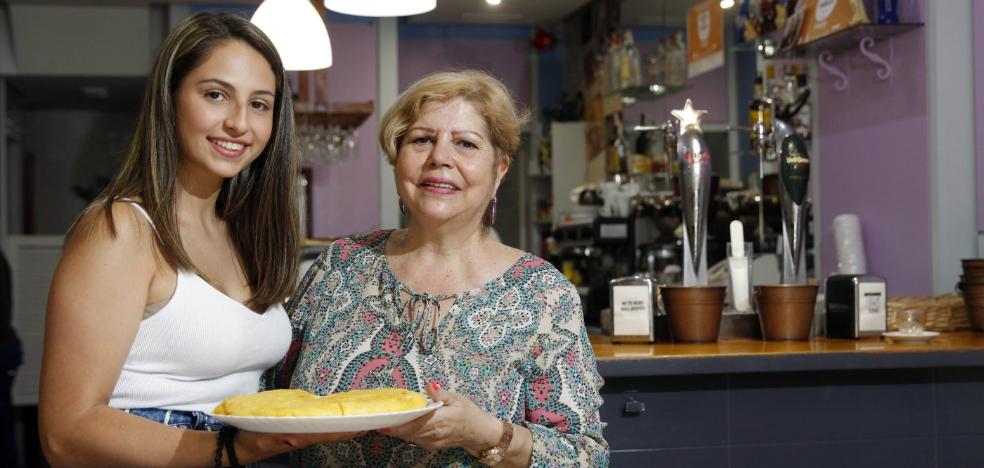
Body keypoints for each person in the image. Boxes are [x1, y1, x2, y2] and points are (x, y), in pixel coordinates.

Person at [38, 12, 357, 466]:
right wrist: (229, 449)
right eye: (215, 95)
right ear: (170, 100)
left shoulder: (245, 234)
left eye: (259, 104)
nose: (239, 123)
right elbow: (65, 433)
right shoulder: (121, 230)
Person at [266, 70, 609, 466]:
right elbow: (269, 396)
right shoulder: (339, 265)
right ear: (397, 160)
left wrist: (488, 436)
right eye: (421, 140)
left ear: (499, 169)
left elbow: (585, 457)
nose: (440, 157)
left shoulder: (544, 294)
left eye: (465, 143)